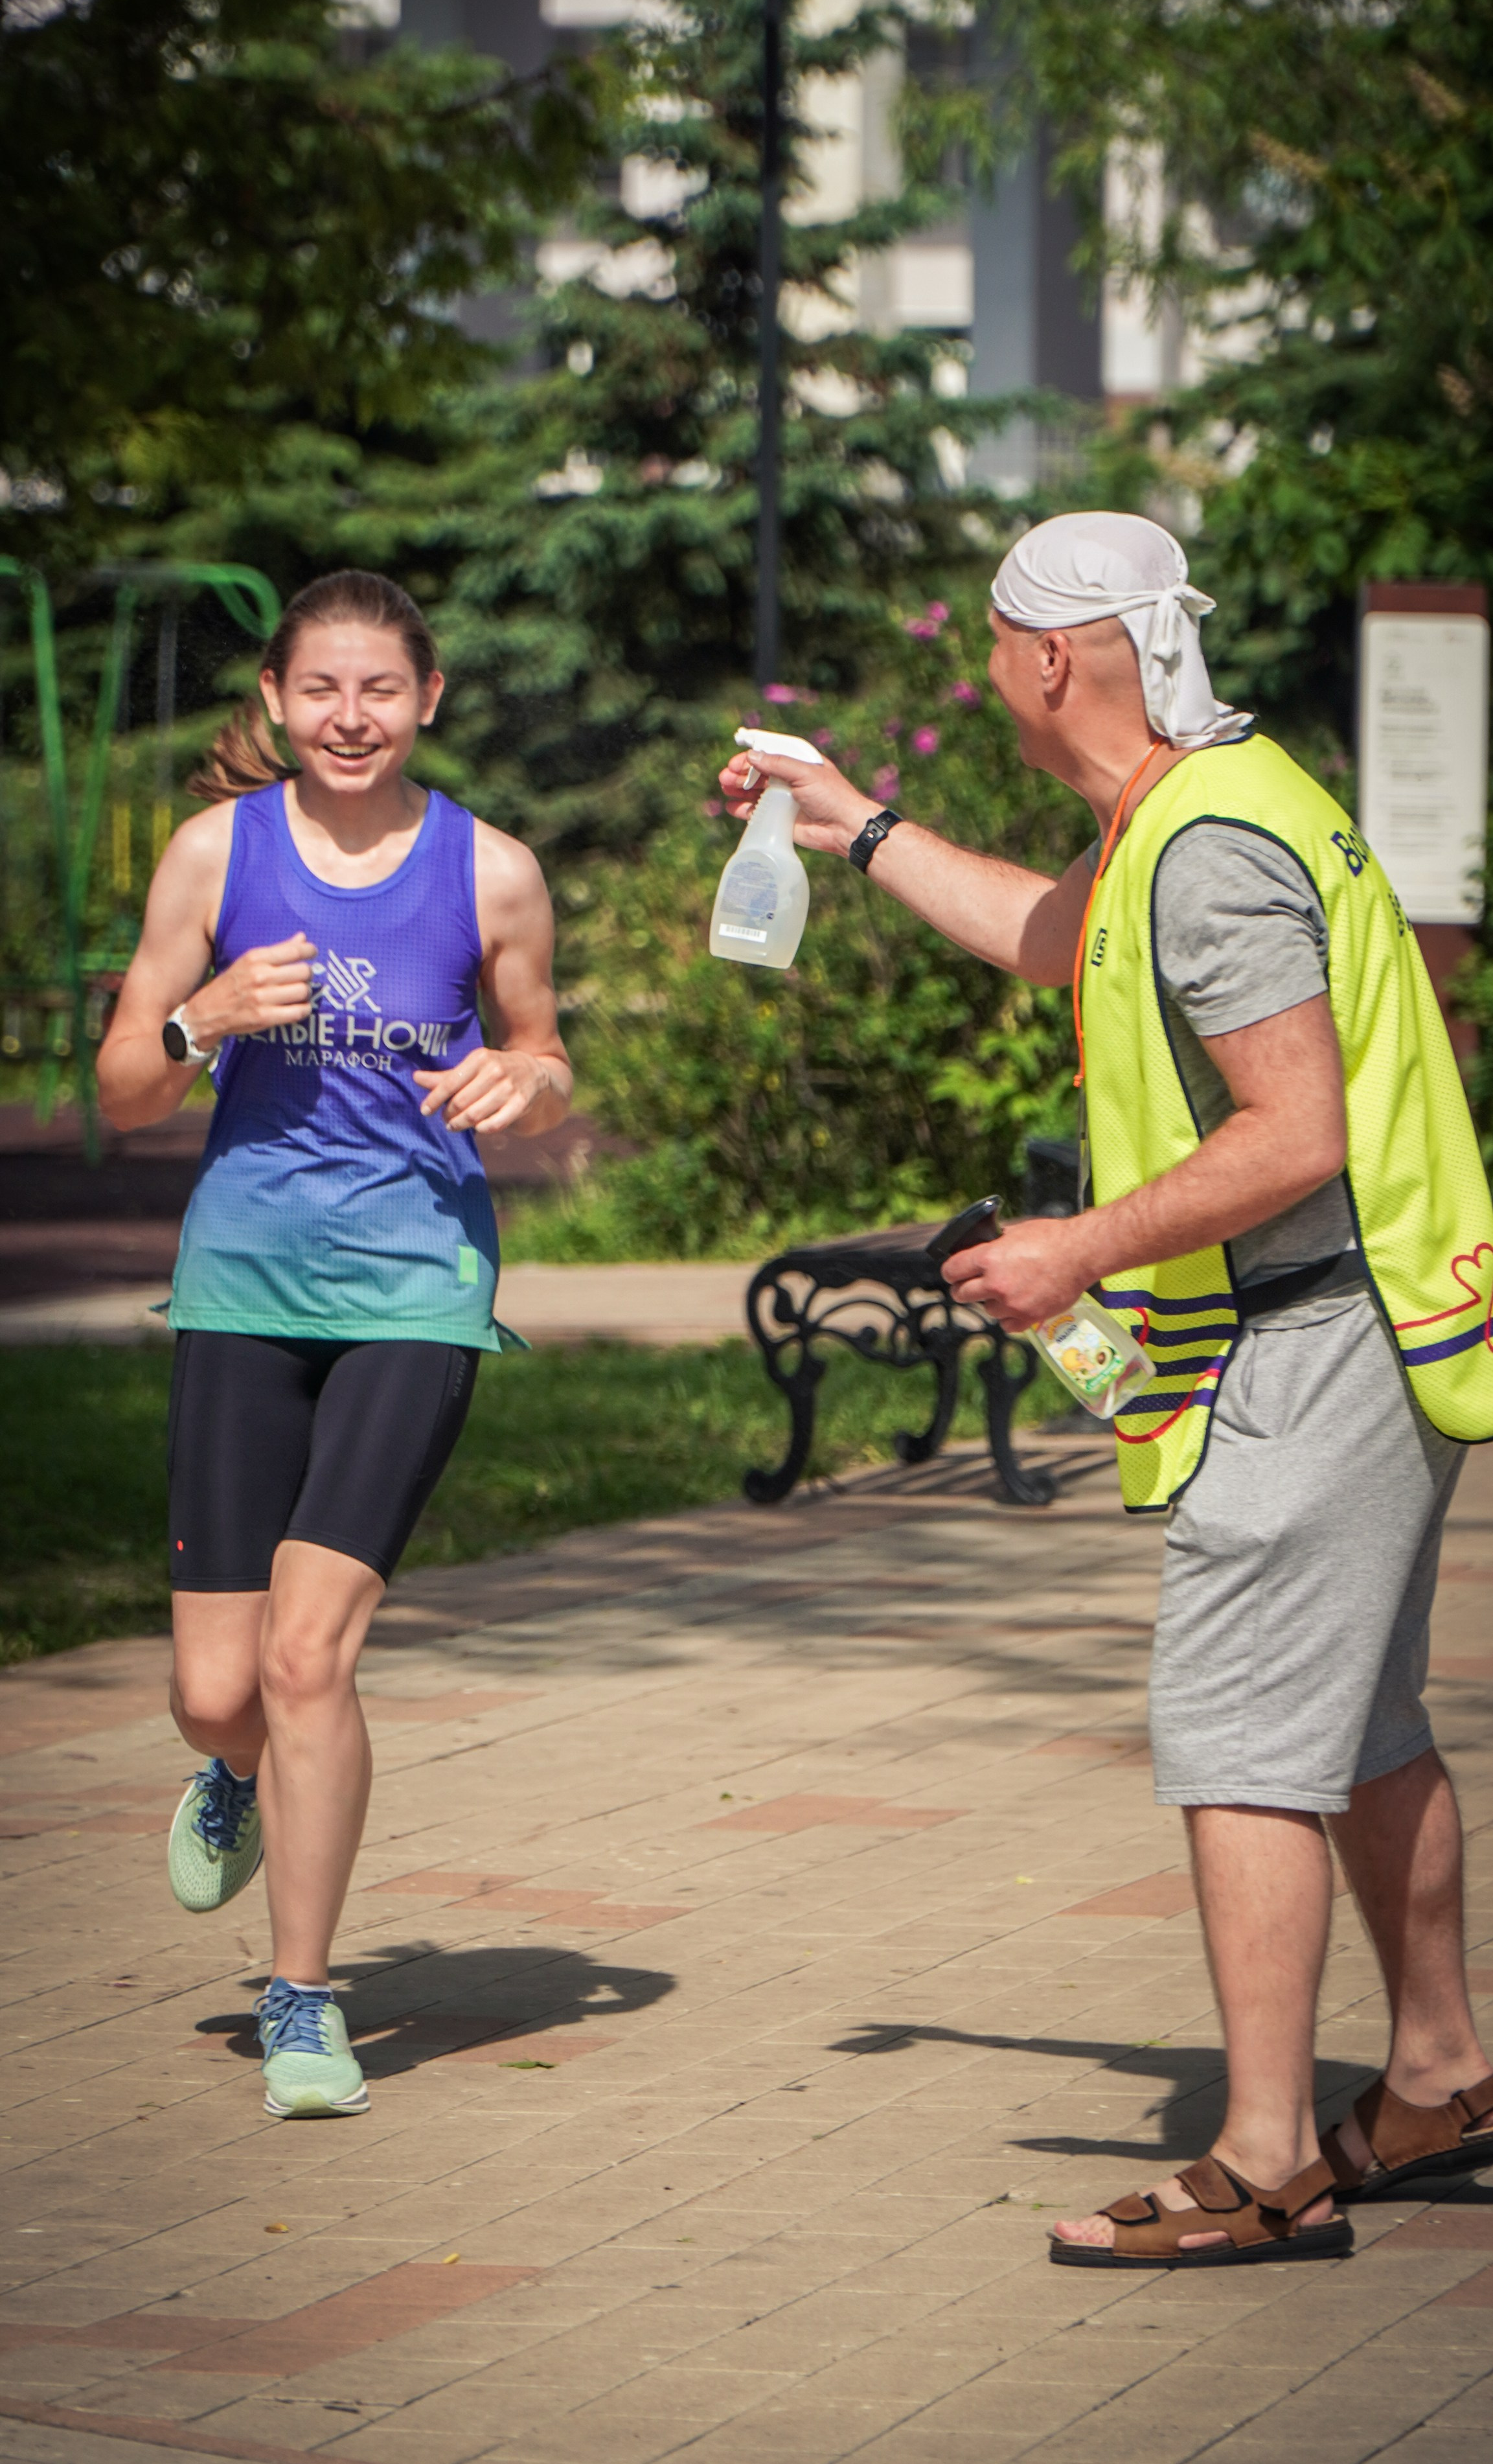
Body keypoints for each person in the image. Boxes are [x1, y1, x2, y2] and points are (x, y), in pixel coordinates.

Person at [719, 512, 1493, 2269]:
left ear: (1052, 657)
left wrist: (1075, 1248)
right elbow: (1055, 934)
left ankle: (1265, 2161)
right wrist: (855, 825)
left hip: (1314, 1336)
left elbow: (1293, 1133)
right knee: (1359, 1726)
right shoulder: (1196, 806)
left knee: (1242, 1737)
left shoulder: (1203, 850)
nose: (986, 667)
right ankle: (1439, 2074)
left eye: (994, 639)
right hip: (1374, 1320)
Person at [98, 570, 571, 2119]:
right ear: (277, 698)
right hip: (242, 1283)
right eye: (320, 689)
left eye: (379, 689)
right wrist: (207, 1016)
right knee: (215, 1689)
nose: (349, 717)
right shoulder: (213, 854)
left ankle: (302, 1996)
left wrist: (529, 1082)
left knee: (309, 1653)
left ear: (427, 696)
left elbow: (544, 1050)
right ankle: (230, 1769)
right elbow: (122, 1088)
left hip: (413, 1285)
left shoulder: (489, 869)